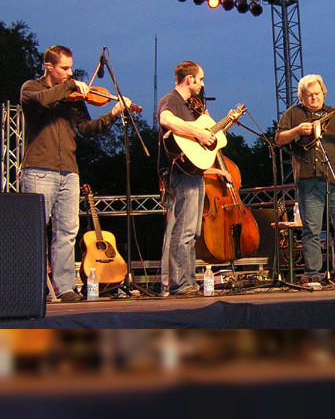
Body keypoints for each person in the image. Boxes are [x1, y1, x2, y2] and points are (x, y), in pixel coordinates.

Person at [20, 45, 131, 302]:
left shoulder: (74, 98)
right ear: (49, 67)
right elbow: (43, 101)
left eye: (71, 68)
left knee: (68, 231)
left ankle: (65, 287)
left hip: (69, 170)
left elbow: (86, 129)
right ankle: (36, 289)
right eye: (65, 68)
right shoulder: (32, 88)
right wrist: (69, 87)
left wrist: (112, 114)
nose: (70, 73)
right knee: (36, 231)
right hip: (39, 168)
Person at [275, 74, 335, 286]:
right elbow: (278, 139)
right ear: (301, 97)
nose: (314, 98)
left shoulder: (333, 113)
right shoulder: (293, 113)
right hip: (308, 178)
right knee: (311, 229)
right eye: (309, 95)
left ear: (324, 93)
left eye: (317, 94)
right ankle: (314, 275)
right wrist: (296, 130)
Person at [157, 61, 231, 296]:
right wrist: (198, 132)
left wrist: (212, 130)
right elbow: (166, 119)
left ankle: (188, 281)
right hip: (180, 171)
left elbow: (205, 135)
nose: (202, 83)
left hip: (194, 171)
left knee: (193, 231)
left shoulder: (192, 105)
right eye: (200, 79)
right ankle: (180, 284)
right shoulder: (172, 99)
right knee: (184, 228)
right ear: (189, 80)